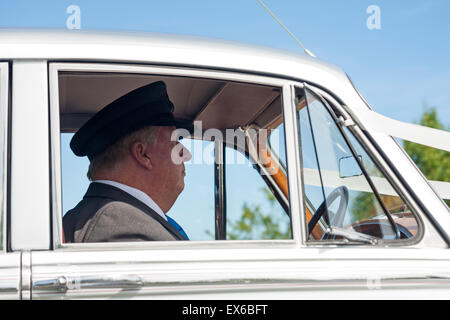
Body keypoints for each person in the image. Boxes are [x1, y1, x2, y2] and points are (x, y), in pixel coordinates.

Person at [63, 81, 192, 243]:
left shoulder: (105, 216)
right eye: (174, 143)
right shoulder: (127, 228)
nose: (187, 154)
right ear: (143, 154)